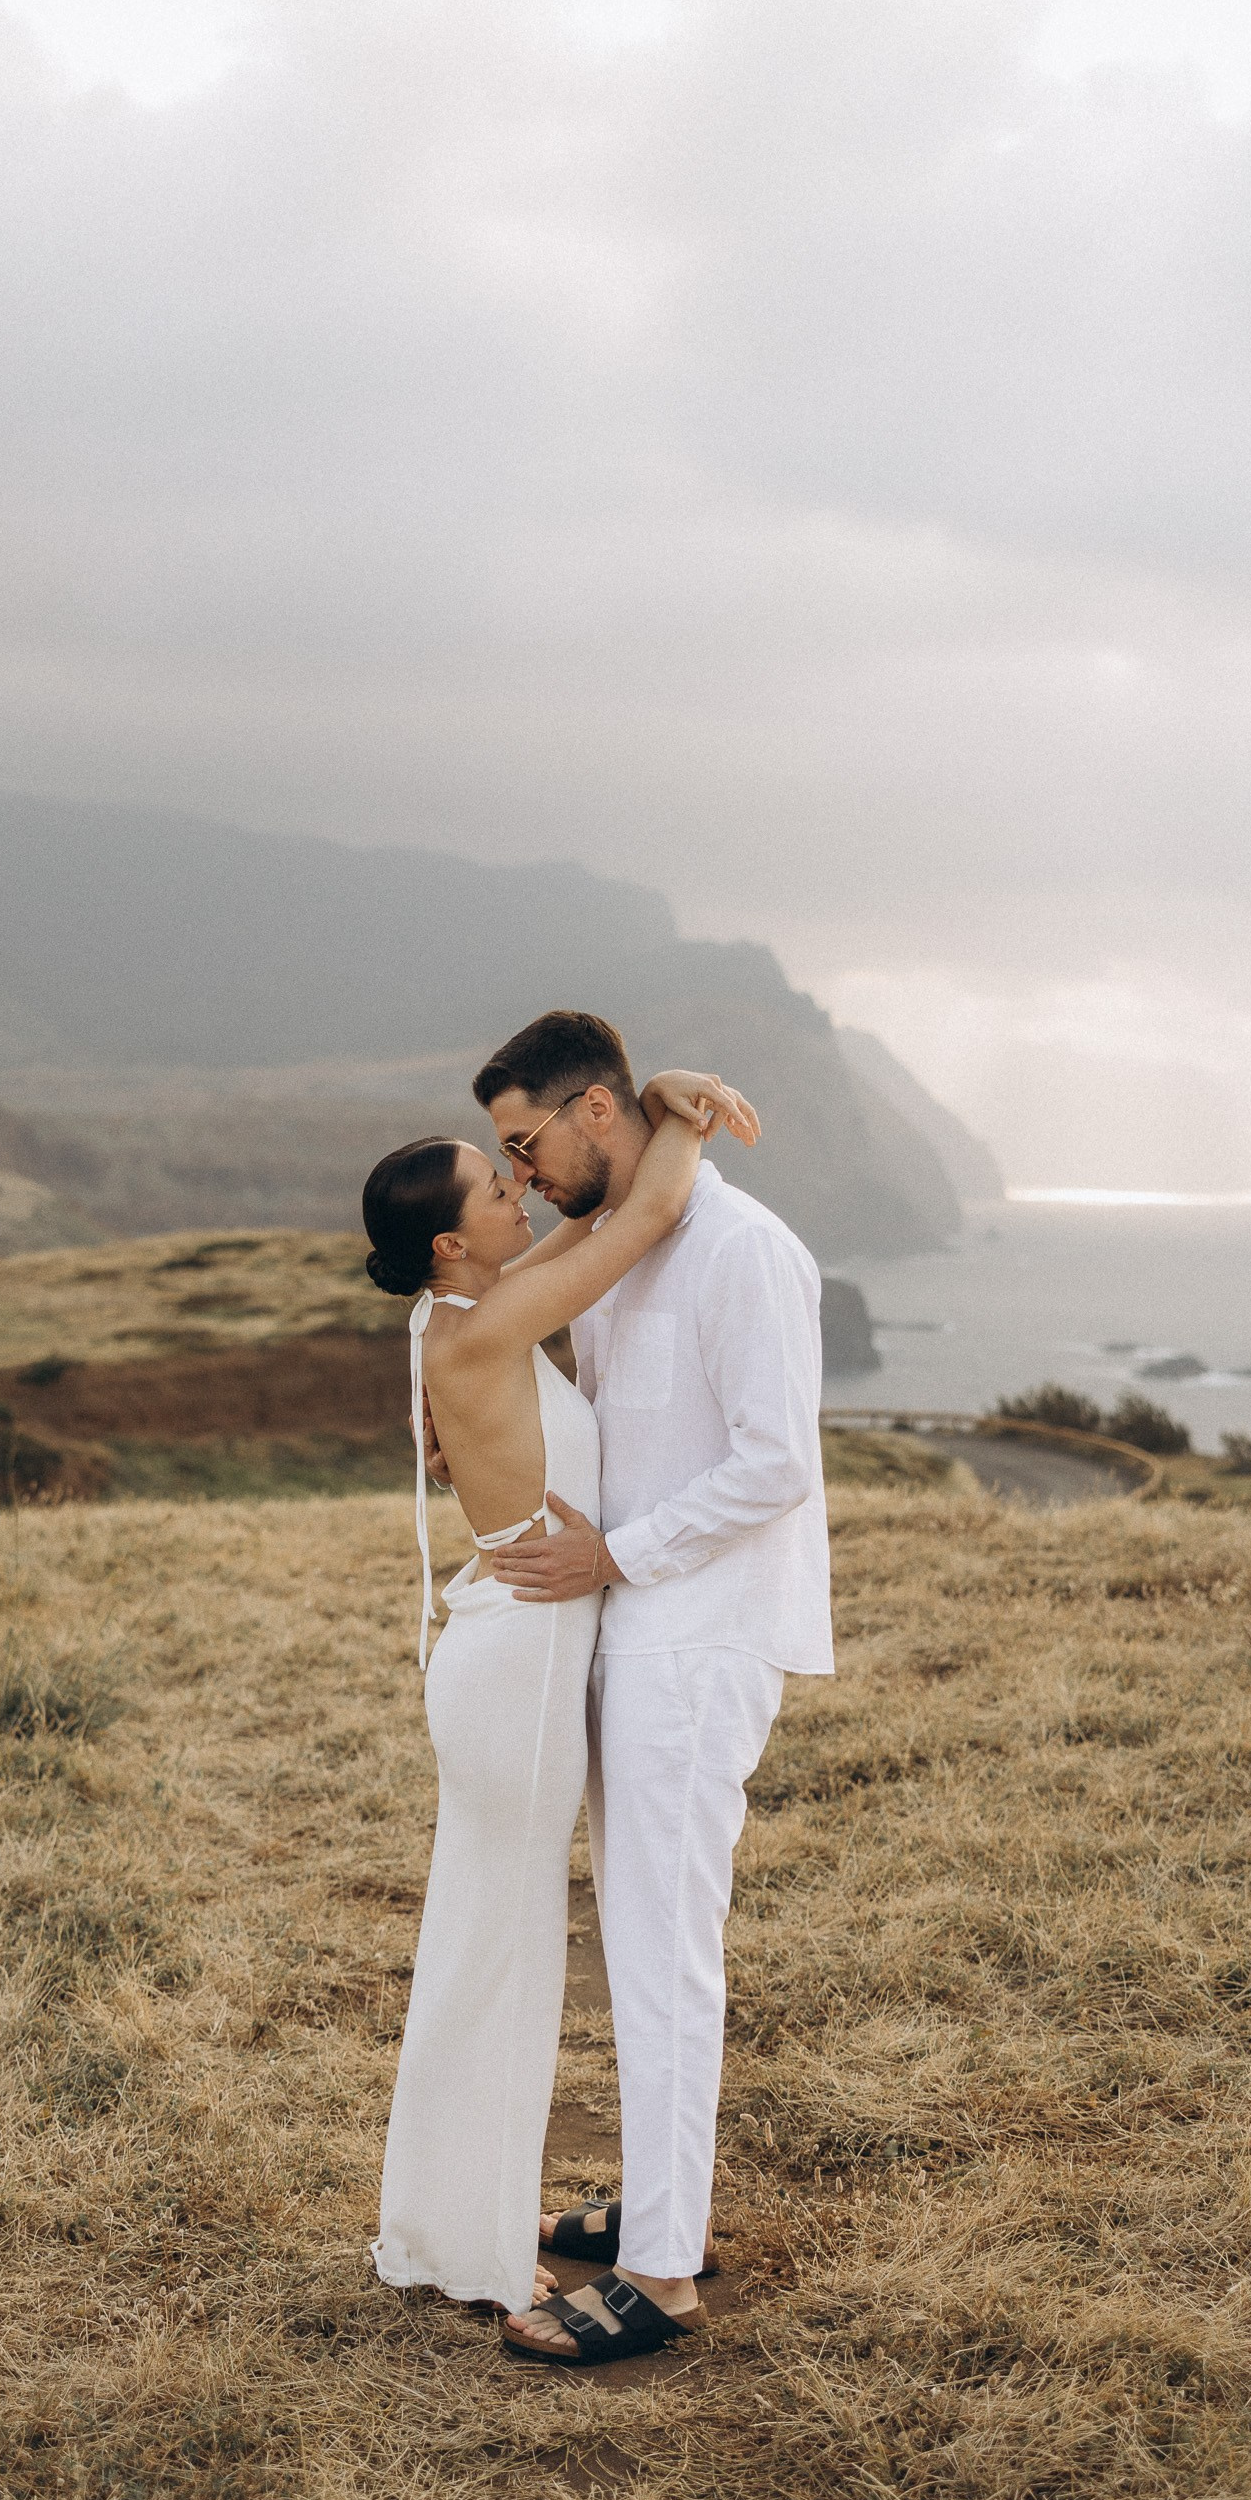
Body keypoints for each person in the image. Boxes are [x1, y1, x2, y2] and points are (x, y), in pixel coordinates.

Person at [458, 1009, 832, 2368]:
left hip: (702, 1638)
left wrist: (620, 1551)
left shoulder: (744, 1252)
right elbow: (624, 1437)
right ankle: (661, 2212)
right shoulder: (624, 1258)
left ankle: (663, 2280)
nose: (525, 1174)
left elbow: (774, 1461)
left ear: (595, 1113)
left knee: (668, 1954)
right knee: (638, 1944)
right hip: (637, 1636)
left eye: (528, 1142)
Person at [362, 1064, 755, 2332]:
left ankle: (444, 2220)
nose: (519, 1186)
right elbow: (635, 1223)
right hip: (517, 1667)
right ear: (447, 1241)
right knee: (504, 1954)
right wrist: (686, 1120)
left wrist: (638, 1118)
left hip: (506, 1653)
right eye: (494, 1183)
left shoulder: (461, 1317)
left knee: (484, 1945)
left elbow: (595, 1219)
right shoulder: (479, 1325)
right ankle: (471, 2242)